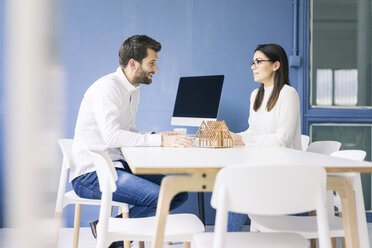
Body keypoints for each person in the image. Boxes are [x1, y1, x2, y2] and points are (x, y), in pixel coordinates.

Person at [71, 35, 193, 248]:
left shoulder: (132, 89)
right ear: (133, 63)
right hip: (92, 175)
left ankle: (106, 230)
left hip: (118, 166)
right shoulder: (107, 88)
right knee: (161, 196)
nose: (156, 69)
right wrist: (159, 142)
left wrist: (158, 136)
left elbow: (126, 130)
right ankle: (113, 236)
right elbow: (112, 136)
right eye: (152, 63)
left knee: (177, 192)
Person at [228, 44, 301, 231]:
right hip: (263, 166)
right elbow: (253, 132)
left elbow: (282, 140)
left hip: (284, 170)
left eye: (259, 62)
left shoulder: (288, 94)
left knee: (237, 186)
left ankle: (228, 240)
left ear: (276, 65)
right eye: (253, 62)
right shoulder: (256, 94)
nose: (253, 66)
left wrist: (243, 140)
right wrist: (234, 136)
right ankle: (230, 239)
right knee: (233, 183)